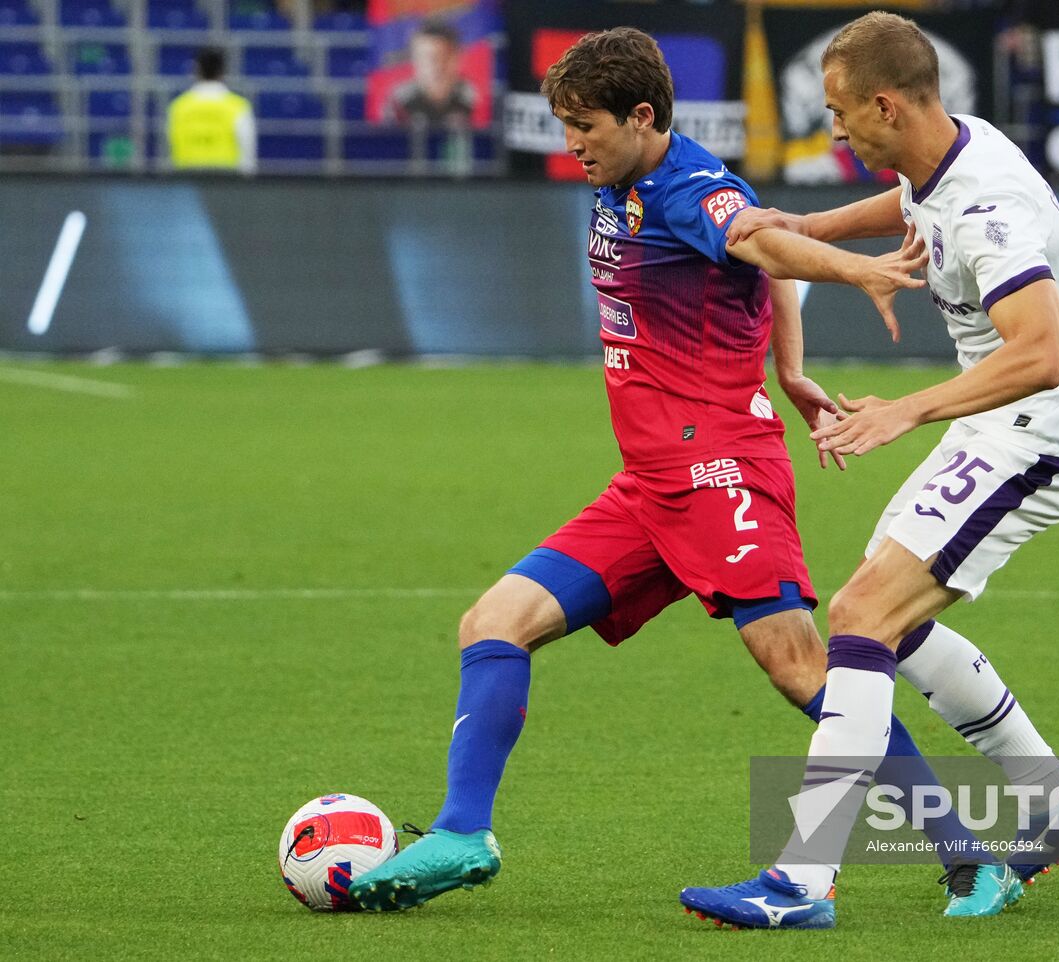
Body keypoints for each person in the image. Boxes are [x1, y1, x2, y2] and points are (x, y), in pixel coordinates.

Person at [349, 26, 1011, 920]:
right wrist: (789, 368)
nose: (571, 142)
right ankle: (465, 834)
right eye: (563, 124)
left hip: (720, 471)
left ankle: (966, 857)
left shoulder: (688, 185)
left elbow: (762, 242)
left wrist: (858, 271)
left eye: (584, 124)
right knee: (494, 622)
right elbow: (762, 246)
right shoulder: (619, 178)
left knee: (803, 667)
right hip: (651, 482)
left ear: (643, 116)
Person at [680, 10, 1059, 928]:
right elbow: (911, 202)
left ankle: (803, 882)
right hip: (999, 421)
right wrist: (810, 225)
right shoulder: (948, 150)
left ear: (885, 104)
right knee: (893, 627)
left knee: (860, 616)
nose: (833, 128)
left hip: (1039, 429)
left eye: (840, 111)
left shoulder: (987, 206)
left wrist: (902, 411)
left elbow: (1038, 350)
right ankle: (1052, 798)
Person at [167, 48, 256, 175]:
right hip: (225, 182)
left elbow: (170, 150)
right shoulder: (238, 106)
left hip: (187, 181)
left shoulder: (178, 107)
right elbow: (247, 155)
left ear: (197, 70)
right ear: (223, 72)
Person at [382, 19, 477, 131]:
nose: (434, 66)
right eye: (424, 57)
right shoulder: (398, 100)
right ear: (414, 59)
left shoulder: (475, 98)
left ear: (456, 58)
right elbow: (389, 143)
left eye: (441, 57)